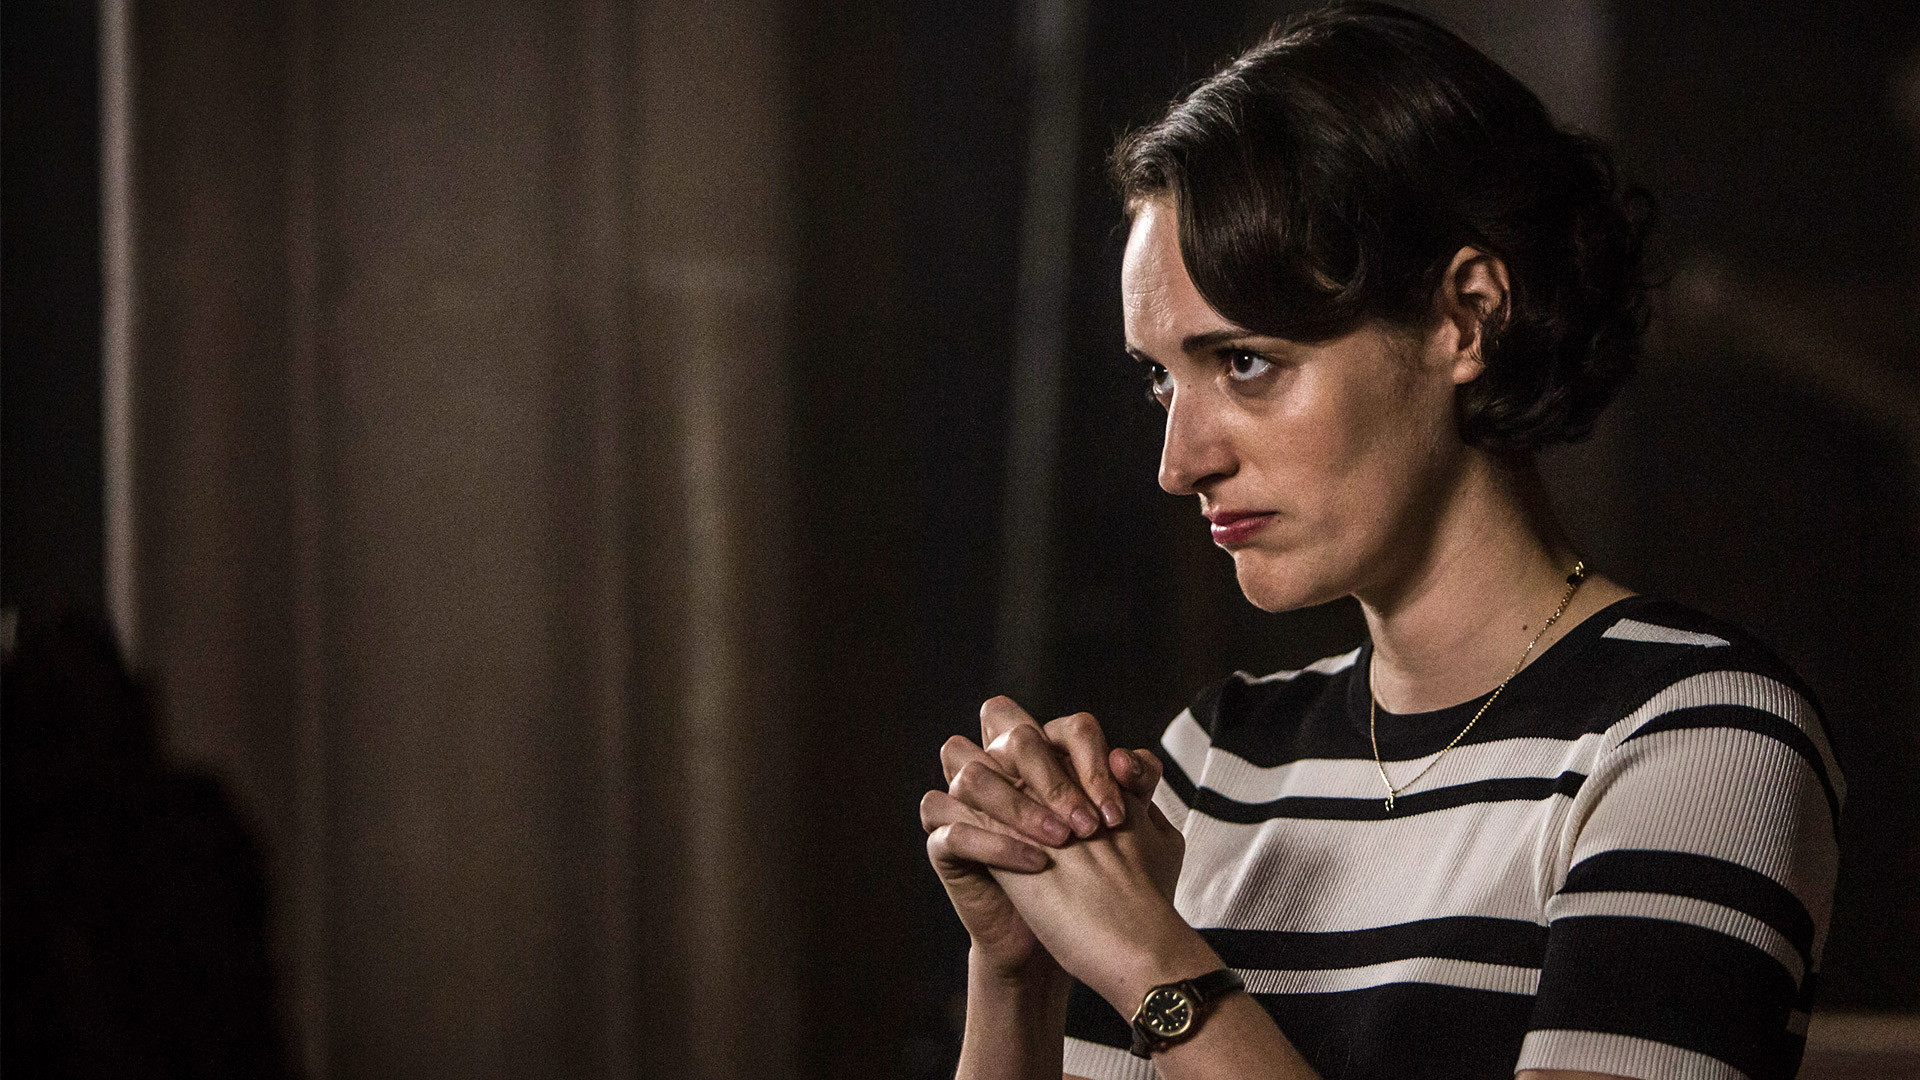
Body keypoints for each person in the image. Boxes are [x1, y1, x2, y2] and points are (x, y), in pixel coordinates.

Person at [918, 5, 1841, 1080]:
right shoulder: (1214, 761)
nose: (1180, 462)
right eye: (1162, 379)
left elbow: (1158, 982)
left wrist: (1154, 968)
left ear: (1467, 317)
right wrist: (1020, 972)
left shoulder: (1696, 737)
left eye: (1245, 363)